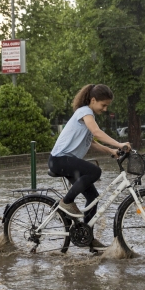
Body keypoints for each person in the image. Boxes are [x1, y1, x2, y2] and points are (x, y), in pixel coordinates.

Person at [49, 84, 131, 245]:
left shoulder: (87, 115)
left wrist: (111, 151)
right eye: (103, 105)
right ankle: (66, 202)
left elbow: (91, 142)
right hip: (59, 160)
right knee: (95, 172)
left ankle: (87, 239)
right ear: (93, 100)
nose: (106, 109)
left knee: (93, 197)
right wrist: (120, 144)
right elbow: (97, 133)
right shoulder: (85, 111)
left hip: (66, 161)